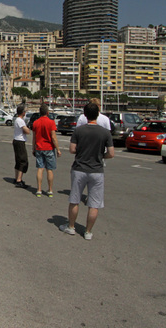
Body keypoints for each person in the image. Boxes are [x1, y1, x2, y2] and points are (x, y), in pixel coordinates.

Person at [60, 102, 115, 240]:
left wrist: (82, 151)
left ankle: (71, 227)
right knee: (94, 204)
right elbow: (111, 153)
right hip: (96, 169)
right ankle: (88, 231)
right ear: (98, 114)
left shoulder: (79, 131)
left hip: (79, 167)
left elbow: (72, 149)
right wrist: (101, 156)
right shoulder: (105, 132)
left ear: (85, 114)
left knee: (75, 199)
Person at [31, 103, 61, 197]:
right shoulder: (51, 122)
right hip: (49, 148)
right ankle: (50, 190)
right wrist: (58, 149)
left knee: (40, 168)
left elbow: (34, 138)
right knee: (49, 169)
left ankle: (39, 189)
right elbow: (53, 137)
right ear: (47, 112)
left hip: (39, 147)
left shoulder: (35, 122)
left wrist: (33, 148)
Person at [13, 104, 31, 188]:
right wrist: (28, 128)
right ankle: (19, 180)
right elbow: (27, 131)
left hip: (17, 140)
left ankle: (17, 177)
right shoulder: (20, 120)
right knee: (23, 160)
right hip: (20, 141)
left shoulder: (17, 120)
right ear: (23, 112)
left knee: (18, 160)